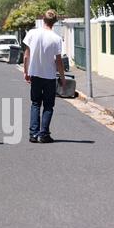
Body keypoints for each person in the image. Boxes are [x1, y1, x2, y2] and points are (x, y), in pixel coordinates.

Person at [23, 10, 66, 144]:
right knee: (48, 106)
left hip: (35, 73)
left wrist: (26, 72)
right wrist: (63, 77)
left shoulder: (32, 33)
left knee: (35, 103)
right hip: (49, 76)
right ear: (55, 22)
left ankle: (33, 134)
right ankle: (44, 134)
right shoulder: (56, 38)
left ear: (43, 19)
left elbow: (26, 55)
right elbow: (58, 61)